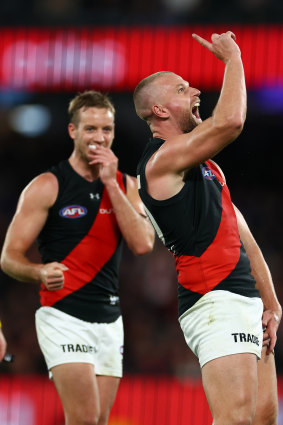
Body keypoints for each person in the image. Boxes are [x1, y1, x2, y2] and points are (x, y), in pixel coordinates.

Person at [134, 31, 281, 425]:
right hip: (214, 298)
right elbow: (231, 121)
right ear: (161, 111)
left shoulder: (207, 167)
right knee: (234, 419)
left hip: (244, 298)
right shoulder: (160, 163)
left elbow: (245, 236)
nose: (196, 90)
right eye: (183, 89)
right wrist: (233, 59)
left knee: (263, 419)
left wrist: (270, 301)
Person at [0, 90, 155, 425]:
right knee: (84, 418)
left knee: (98, 419)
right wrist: (39, 271)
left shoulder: (127, 185)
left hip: (110, 320)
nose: (100, 137)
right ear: (73, 131)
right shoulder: (46, 186)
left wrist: (110, 185)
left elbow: (143, 244)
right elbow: (9, 257)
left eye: (106, 129)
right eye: (91, 129)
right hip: (63, 316)